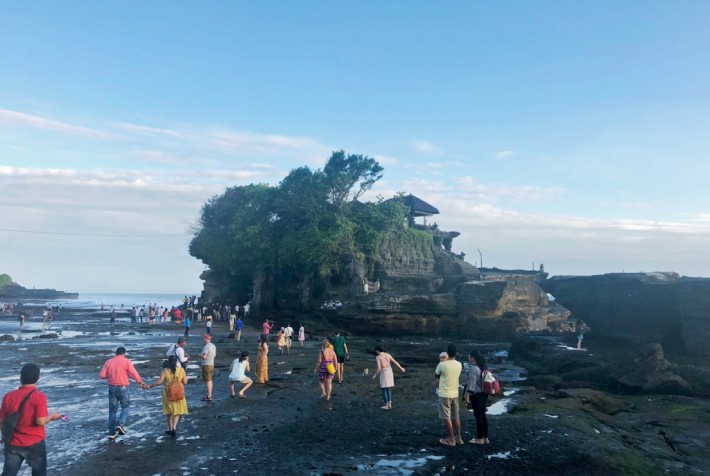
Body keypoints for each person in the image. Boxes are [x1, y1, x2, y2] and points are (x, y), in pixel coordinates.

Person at [0, 363, 63, 476]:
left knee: (8, 473)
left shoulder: (8, 396)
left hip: (13, 442)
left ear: (20, 378)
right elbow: (40, 421)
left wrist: (4, 436)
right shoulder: (39, 397)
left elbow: (1, 421)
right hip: (34, 443)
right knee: (39, 473)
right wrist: (53, 417)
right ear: (38, 378)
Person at [98, 346, 148, 440]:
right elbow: (134, 373)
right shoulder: (127, 361)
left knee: (112, 410)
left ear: (115, 353)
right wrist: (140, 382)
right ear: (124, 353)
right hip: (124, 387)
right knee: (125, 406)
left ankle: (111, 433)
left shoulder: (108, 362)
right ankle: (120, 424)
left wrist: (111, 375)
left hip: (112, 388)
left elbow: (101, 375)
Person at [147, 355, 188, 439]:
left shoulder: (165, 370)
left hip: (168, 393)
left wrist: (149, 386)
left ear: (168, 362)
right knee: (177, 411)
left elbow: (159, 382)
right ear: (177, 362)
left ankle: (170, 429)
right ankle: (174, 428)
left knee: (169, 412)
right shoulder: (181, 370)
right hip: (179, 392)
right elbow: (185, 382)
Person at [435, 343, 463, 446]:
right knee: (456, 416)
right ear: (456, 353)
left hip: (444, 394)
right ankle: (459, 438)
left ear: (447, 353)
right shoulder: (460, 364)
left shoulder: (442, 364)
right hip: (455, 393)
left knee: (446, 417)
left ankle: (451, 439)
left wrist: (443, 360)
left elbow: (436, 375)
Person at [465, 350, 489, 444]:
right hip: (484, 393)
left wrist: (468, 394)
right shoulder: (482, 367)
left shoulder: (473, 368)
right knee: (483, 415)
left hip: (477, 395)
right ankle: (485, 438)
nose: (468, 357)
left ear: (472, 358)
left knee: (478, 416)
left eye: (469, 356)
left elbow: (472, 383)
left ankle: (479, 439)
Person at [372, 345, 405, 410]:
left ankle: (386, 405)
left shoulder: (378, 357)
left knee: (384, 389)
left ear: (377, 350)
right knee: (389, 388)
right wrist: (401, 368)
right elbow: (395, 362)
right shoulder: (388, 355)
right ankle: (389, 404)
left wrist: (375, 375)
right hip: (390, 372)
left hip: (384, 373)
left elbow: (379, 368)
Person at [200, 334, 217, 402]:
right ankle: (209, 395)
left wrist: (200, 355)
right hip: (211, 364)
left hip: (206, 364)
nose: (203, 339)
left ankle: (209, 396)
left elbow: (204, 357)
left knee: (208, 380)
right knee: (209, 379)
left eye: (204, 338)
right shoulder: (213, 346)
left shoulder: (206, 347)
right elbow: (215, 355)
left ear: (206, 338)